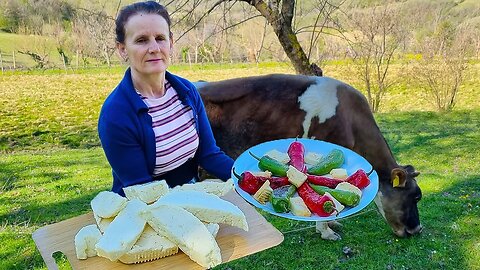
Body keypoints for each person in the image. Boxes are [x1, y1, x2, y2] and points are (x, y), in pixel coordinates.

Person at [98, 1, 233, 196]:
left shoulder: (187, 92)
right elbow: (142, 190)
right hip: (142, 210)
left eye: (160, 38)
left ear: (171, 42)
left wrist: (248, 179)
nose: (154, 48)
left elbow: (209, 155)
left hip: (188, 196)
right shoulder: (116, 115)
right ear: (122, 49)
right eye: (141, 40)